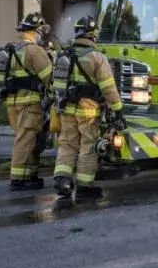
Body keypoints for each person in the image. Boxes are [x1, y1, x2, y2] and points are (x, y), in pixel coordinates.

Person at [52, 15, 126, 200]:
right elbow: (108, 88)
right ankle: (84, 187)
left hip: (67, 107)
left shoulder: (64, 55)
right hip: (89, 110)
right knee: (88, 146)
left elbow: (55, 83)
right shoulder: (97, 57)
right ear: (93, 34)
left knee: (67, 143)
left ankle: (62, 181)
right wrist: (118, 111)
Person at [0, 12, 54, 191]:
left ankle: (29, 175)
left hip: (13, 104)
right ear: (36, 31)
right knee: (25, 141)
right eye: (41, 32)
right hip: (29, 104)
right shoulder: (34, 50)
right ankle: (17, 179)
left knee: (28, 139)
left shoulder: (13, 49)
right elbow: (50, 77)